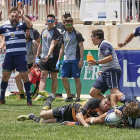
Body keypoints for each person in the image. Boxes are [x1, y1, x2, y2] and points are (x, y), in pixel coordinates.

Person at [0, 7, 33, 106]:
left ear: (18, 17)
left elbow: (30, 25)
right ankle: (1, 98)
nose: (14, 18)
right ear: (9, 17)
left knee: (24, 76)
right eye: (12, 16)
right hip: (9, 55)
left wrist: (22, 15)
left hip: (21, 56)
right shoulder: (4, 25)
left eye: (16, 16)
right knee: (5, 76)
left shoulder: (22, 25)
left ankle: (29, 99)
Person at [17, 94, 111, 127]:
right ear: (102, 100)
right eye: (105, 102)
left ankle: (31, 116)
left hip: (72, 119)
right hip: (68, 110)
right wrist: (85, 124)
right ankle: (49, 98)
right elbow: (79, 115)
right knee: (43, 114)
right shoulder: (93, 101)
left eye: (109, 105)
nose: (106, 106)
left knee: (44, 122)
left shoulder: (107, 112)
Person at [88, 29, 123, 100]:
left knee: (115, 92)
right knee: (93, 92)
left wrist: (97, 62)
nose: (91, 38)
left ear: (96, 37)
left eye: (91, 36)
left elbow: (109, 57)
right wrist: (103, 70)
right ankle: (107, 105)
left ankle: (132, 103)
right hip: (106, 71)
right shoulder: (102, 44)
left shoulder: (104, 44)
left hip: (111, 71)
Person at [56, 17, 84, 102]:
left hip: (75, 59)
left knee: (77, 79)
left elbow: (81, 47)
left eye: (70, 24)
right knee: (63, 78)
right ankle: (69, 97)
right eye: (67, 24)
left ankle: (78, 98)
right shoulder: (63, 34)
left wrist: (81, 59)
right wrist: (58, 60)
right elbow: (62, 48)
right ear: (64, 24)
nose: (68, 26)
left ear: (72, 24)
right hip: (66, 60)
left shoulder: (77, 34)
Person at [35, 14, 60, 97]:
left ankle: (53, 95)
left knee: (54, 77)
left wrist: (48, 55)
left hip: (53, 57)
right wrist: (37, 56)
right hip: (43, 57)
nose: (50, 22)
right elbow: (40, 45)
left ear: (55, 22)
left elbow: (53, 44)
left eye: (52, 21)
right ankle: (41, 94)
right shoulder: (43, 31)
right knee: (42, 76)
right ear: (46, 21)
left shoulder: (56, 32)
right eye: (48, 21)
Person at [15, 29, 38, 99]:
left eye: (27, 31)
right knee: (17, 78)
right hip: (23, 64)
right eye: (24, 31)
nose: (26, 33)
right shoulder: (20, 42)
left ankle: (37, 94)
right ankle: (22, 95)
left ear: (30, 32)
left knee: (34, 80)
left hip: (30, 64)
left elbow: (35, 55)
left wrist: (34, 66)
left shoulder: (33, 42)